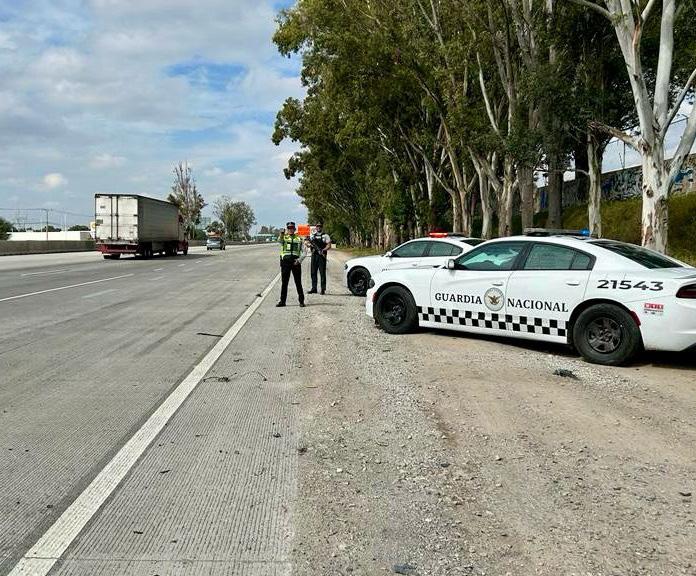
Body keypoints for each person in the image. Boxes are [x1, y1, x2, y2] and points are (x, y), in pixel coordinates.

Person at [277, 221, 305, 307]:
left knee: (298, 282)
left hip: (295, 262)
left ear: (294, 229)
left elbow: (304, 252)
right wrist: (281, 233)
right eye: (289, 228)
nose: (290, 229)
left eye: (292, 228)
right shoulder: (283, 237)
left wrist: (299, 260)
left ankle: (301, 301)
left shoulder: (299, 239)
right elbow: (279, 241)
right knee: (284, 282)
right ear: (287, 229)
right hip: (285, 262)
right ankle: (282, 301)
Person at [307, 222, 332, 295]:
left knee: (322, 273)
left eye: (320, 226)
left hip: (322, 256)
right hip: (314, 255)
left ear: (322, 227)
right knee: (313, 272)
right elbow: (307, 243)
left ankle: (323, 289)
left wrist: (323, 250)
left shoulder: (325, 236)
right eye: (317, 226)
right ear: (316, 227)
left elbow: (329, 245)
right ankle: (314, 288)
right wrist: (309, 245)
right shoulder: (312, 236)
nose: (318, 227)